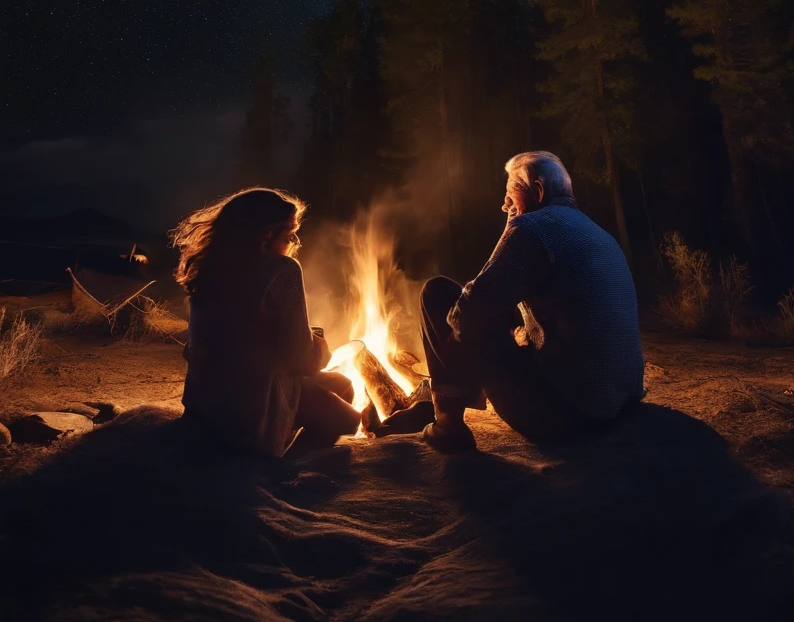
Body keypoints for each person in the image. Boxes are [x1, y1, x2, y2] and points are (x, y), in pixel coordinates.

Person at [385, 151, 644, 452]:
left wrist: (511, 229)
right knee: (496, 312)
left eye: (510, 195)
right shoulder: (597, 232)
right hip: (619, 406)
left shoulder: (532, 229)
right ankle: (448, 403)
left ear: (538, 190)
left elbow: (465, 315)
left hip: (565, 415)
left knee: (438, 293)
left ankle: (447, 424)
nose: (504, 205)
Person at [172, 187, 360, 456]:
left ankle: (280, 440)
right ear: (264, 233)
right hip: (248, 414)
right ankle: (277, 463)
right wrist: (319, 345)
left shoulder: (209, 269)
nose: (295, 240)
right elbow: (301, 361)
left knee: (341, 384)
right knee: (349, 419)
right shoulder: (281, 269)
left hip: (203, 410)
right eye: (288, 232)